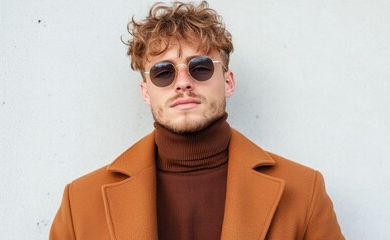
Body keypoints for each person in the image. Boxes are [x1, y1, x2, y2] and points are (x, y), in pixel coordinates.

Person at [49, 1, 344, 239]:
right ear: (146, 92)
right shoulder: (81, 202)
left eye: (200, 67)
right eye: (163, 72)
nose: (183, 83)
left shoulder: (303, 191)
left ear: (227, 82)